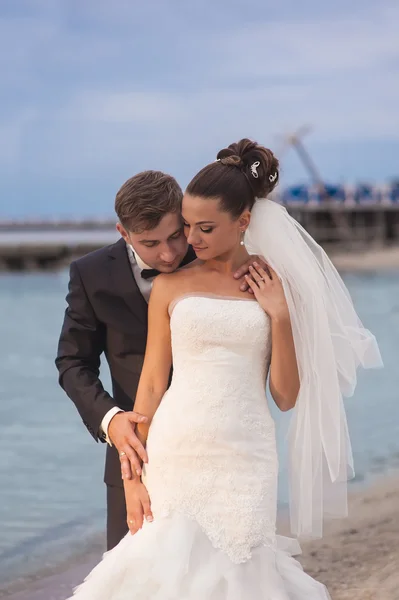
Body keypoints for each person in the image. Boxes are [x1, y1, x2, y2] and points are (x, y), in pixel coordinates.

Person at [67, 139, 382, 599]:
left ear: (244, 222)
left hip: (247, 450)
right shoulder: (170, 287)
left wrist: (280, 315)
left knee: (242, 572)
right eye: (187, 227)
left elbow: (287, 397)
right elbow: (151, 385)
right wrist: (133, 476)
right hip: (176, 448)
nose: (188, 242)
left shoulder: (273, 283)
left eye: (200, 229)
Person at [55, 170, 256, 550]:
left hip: (219, 453)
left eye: (175, 235)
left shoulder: (219, 257)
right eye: (150, 243)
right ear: (123, 232)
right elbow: (72, 362)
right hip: (136, 456)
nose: (169, 253)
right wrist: (111, 421)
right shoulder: (91, 274)